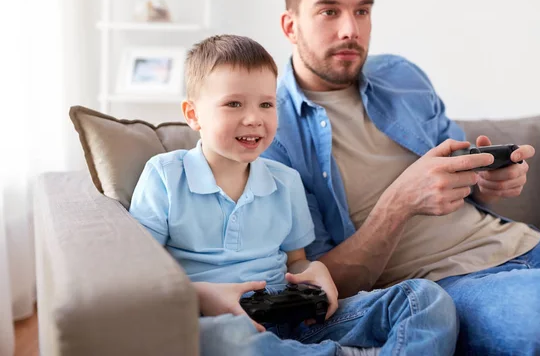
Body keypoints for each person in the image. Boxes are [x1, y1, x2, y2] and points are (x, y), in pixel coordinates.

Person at [261, 0, 540, 355]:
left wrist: (488, 181)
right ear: (291, 26)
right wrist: (400, 202)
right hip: (442, 285)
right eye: (329, 11)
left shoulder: (402, 77)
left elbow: (466, 177)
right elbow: (323, 284)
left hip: (521, 244)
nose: (350, 29)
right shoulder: (270, 129)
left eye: (362, 11)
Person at [129, 34, 458, 356]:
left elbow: (297, 261)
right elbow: (139, 276)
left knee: (425, 299)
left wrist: (313, 272)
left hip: (293, 316)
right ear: (192, 114)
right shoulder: (165, 175)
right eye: (233, 104)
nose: (254, 118)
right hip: (216, 321)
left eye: (266, 104)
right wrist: (199, 295)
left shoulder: (285, 181)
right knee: (220, 338)